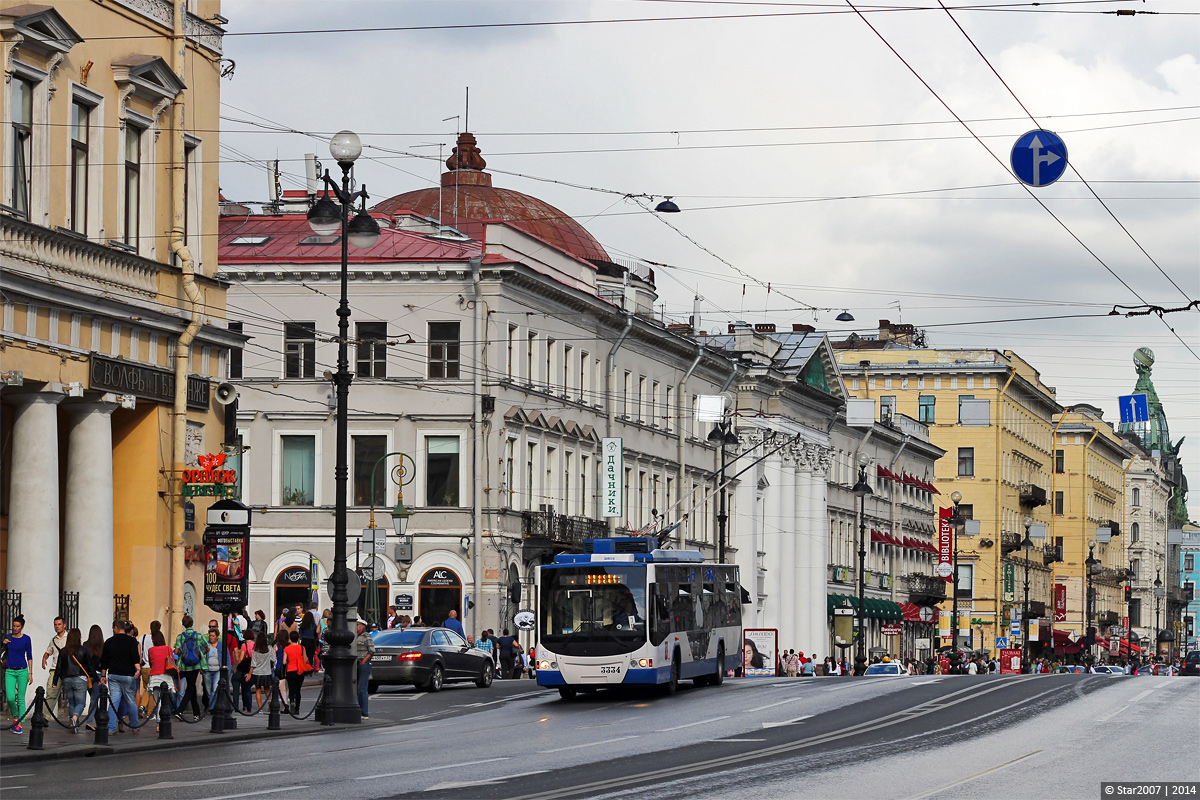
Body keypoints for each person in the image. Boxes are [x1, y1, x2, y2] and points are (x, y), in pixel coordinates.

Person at [101, 620, 141, 735]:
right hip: (128, 675)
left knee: (114, 701)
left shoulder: (109, 642)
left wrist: (103, 675)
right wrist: (137, 669)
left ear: (115, 628)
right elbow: (135, 657)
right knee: (130, 701)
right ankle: (134, 726)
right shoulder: (132, 641)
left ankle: (111, 728)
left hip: (113, 675)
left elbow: (104, 661)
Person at [51, 627, 93, 732]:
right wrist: (96, 678)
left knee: (72, 703)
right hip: (80, 678)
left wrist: (54, 682)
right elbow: (89, 666)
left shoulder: (63, 651)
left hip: (66, 679)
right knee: (81, 703)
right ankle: (74, 718)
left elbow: (58, 668)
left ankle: (74, 727)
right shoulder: (84, 650)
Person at [173, 614, 208, 719]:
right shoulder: (198, 635)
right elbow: (207, 648)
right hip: (196, 665)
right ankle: (180, 710)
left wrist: (182, 654)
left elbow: (176, 651)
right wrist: (200, 653)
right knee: (191, 687)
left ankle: (196, 713)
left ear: (183, 624)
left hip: (184, 665)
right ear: (192, 624)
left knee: (191, 687)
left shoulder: (180, 636)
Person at [3, 615, 34, 734]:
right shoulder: (9, 637)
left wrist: (30, 673)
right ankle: (15, 716)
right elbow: (3, 651)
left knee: (21, 698)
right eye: (14, 626)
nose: (15, 628)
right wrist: (4, 643)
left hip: (22, 670)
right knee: (10, 697)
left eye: (18, 626)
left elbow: (29, 656)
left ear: (22, 627)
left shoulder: (26, 639)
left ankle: (19, 724)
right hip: (10, 670)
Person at [143, 630, 174, 729]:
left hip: (155, 676)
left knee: (157, 701)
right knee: (165, 701)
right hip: (166, 676)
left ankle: (158, 722)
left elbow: (151, 663)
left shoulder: (151, 650)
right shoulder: (168, 649)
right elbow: (172, 661)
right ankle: (162, 721)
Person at [41, 616, 67, 714]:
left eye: (59, 624)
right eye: (55, 625)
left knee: (71, 695)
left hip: (67, 670)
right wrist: (44, 658)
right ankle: (44, 717)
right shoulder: (53, 640)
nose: (57, 627)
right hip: (55, 669)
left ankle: (73, 719)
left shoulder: (69, 638)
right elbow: (49, 651)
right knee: (50, 694)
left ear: (64, 625)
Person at [81, 625, 105, 730]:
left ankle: (98, 720)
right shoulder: (102, 647)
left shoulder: (85, 645)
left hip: (87, 676)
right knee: (94, 699)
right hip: (98, 675)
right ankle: (89, 722)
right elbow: (104, 663)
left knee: (93, 698)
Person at [139, 620, 162, 720]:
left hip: (143, 667)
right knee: (153, 690)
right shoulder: (157, 639)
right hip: (152, 667)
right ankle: (150, 713)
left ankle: (142, 706)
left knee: (146, 688)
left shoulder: (142, 637)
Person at [354, 618, 376, 718]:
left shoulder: (366, 636)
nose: (356, 627)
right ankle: (357, 709)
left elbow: (371, 650)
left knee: (362, 688)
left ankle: (364, 712)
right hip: (354, 664)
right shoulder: (353, 636)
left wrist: (363, 661)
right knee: (354, 688)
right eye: (356, 625)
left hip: (363, 663)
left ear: (362, 626)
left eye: (358, 625)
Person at [282, 630, 307, 714]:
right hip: (300, 671)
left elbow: (284, 662)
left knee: (291, 689)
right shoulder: (302, 647)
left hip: (290, 670)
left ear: (290, 638)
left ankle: (292, 702)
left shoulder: (286, 648)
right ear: (298, 638)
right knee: (298, 690)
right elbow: (306, 659)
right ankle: (297, 708)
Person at [250, 631, 276, 710]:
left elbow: (253, 663)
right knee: (267, 689)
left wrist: (249, 673)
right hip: (266, 671)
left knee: (258, 690)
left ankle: (260, 708)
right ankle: (269, 703)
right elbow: (273, 659)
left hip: (257, 672)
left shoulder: (255, 649)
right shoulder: (269, 648)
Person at [203, 628, 221, 709]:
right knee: (208, 690)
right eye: (210, 636)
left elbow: (226, 657)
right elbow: (202, 656)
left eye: (213, 636)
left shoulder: (220, 645)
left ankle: (211, 708)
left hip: (217, 670)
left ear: (217, 636)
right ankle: (211, 705)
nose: (211, 637)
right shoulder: (206, 645)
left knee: (214, 689)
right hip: (207, 670)